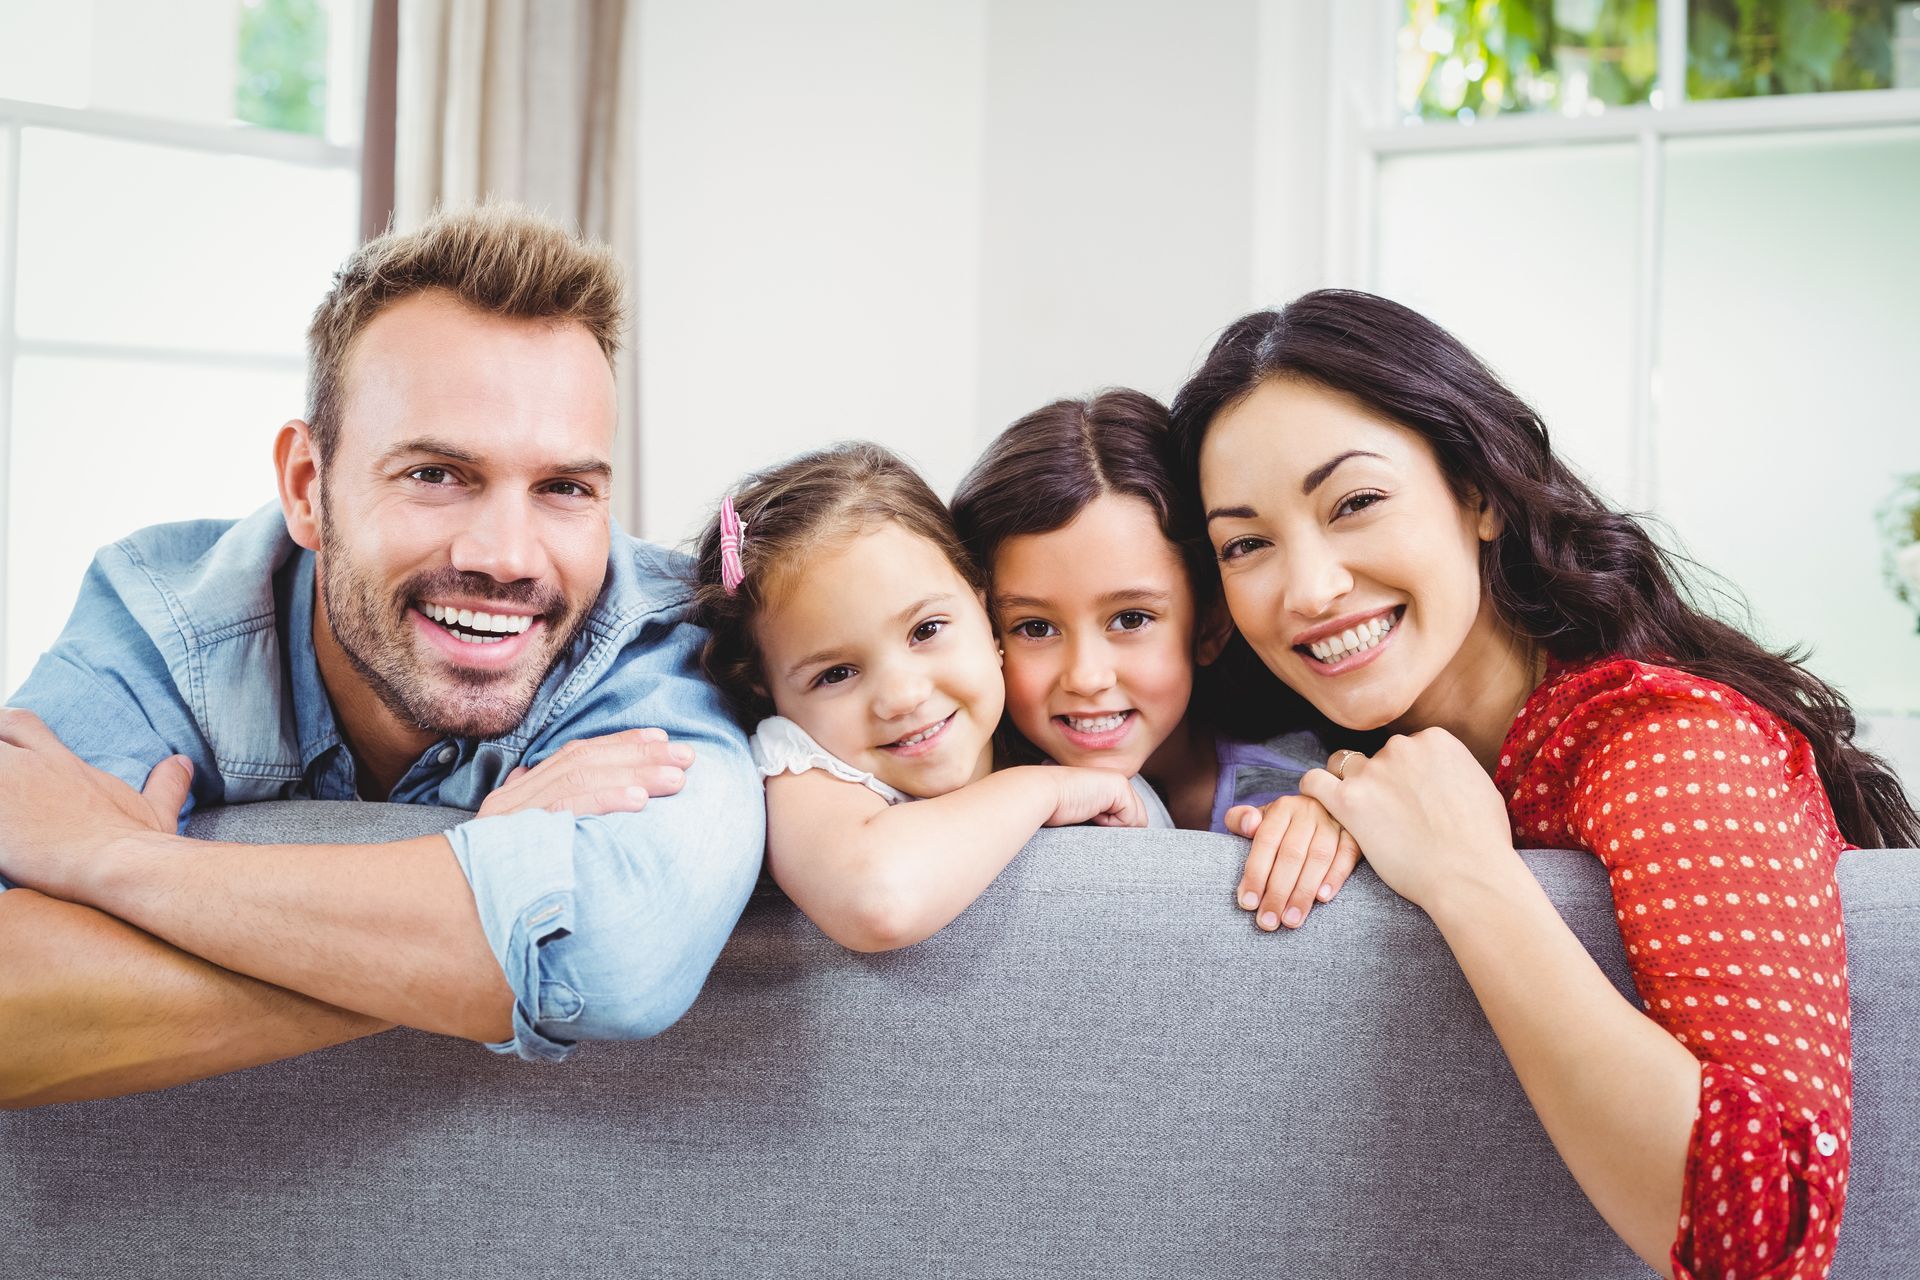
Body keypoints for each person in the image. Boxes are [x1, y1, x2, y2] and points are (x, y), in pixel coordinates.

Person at [1169, 288, 1919, 1279]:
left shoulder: (1660, 738)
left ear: (1478, 491)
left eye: (1354, 502)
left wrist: (1469, 877)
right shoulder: (1355, 760)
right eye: (1246, 543)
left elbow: (1763, 1236)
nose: (1307, 588)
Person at [0, 205, 764, 1108]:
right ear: (307, 488)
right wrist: (469, 916)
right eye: (436, 475)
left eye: (564, 488)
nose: (508, 557)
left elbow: (616, 957)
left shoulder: (659, 644)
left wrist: (111, 861)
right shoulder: (165, 623)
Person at [690, 442, 1149, 954]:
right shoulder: (806, 771)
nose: (903, 697)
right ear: (768, 691)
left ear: (986, 614)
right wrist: (1044, 791)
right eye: (837, 673)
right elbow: (879, 901)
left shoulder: (1058, 725)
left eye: (926, 630)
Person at [949, 390, 1358, 932]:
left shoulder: (1300, 787)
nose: (1087, 677)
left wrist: (1334, 823)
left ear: (1210, 624)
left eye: (1131, 619)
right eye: (1035, 628)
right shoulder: (952, 797)